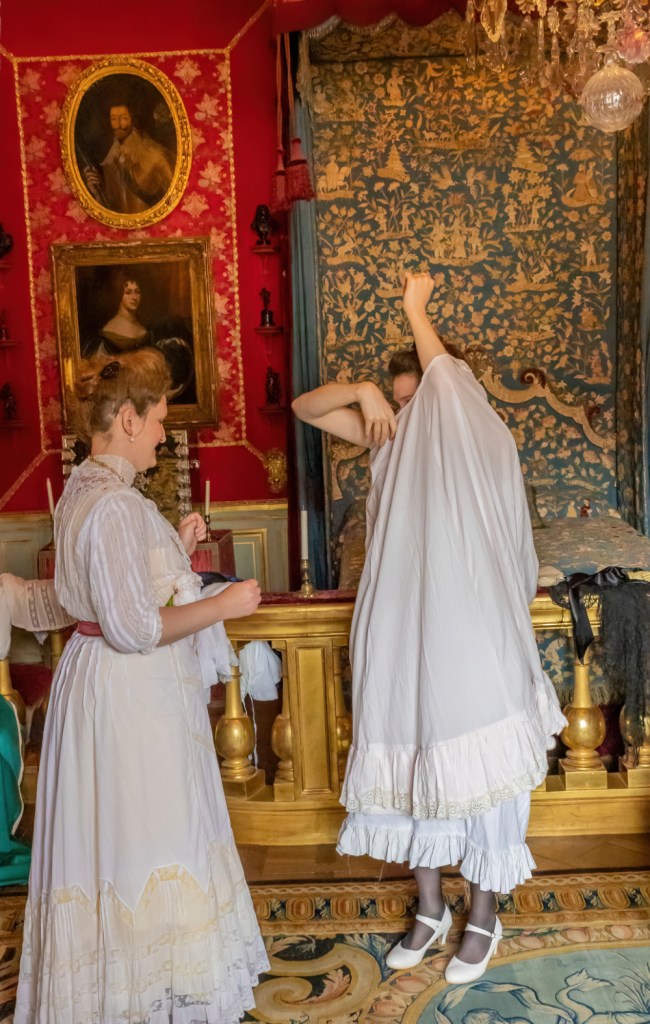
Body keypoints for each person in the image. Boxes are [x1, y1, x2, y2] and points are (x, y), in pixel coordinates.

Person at [292, 271, 565, 985]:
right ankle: (431, 907)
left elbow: (445, 382)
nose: (411, 413)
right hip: (399, 625)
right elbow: (304, 407)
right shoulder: (392, 435)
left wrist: (416, 309)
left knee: (478, 766)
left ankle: (484, 914)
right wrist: (364, 392)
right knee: (409, 759)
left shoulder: (475, 434)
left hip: (467, 629)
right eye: (403, 401)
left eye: (422, 399)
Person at [15, 349, 268, 1023]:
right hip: (129, 699)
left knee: (120, 841)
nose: (162, 433)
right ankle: (152, 997)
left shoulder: (82, 492)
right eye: (157, 418)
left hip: (104, 688)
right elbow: (132, 627)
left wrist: (173, 548)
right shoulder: (117, 506)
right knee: (148, 838)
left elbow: (102, 594)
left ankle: (133, 991)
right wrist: (225, 603)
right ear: (127, 418)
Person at [82, 270, 195, 401]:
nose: (134, 297)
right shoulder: (104, 336)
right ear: (118, 295)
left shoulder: (150, 329)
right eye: (128, 292)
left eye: (137, 292)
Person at [83, 101, 175, 215]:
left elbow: (172, 196)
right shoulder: (109, 161)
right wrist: (97, 193)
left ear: (132, 120)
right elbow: (110, 209)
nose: (118, 125)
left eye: (123, 118)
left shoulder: (153, 153)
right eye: (113, 119)